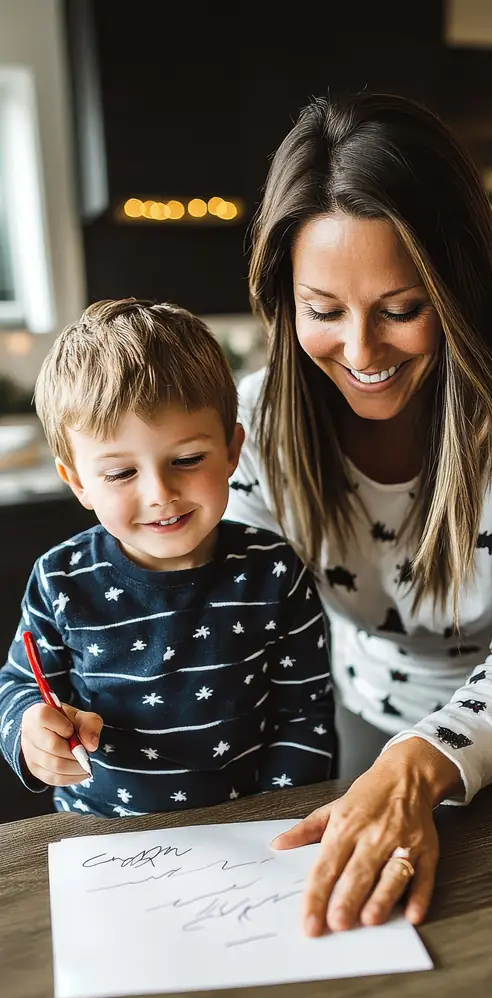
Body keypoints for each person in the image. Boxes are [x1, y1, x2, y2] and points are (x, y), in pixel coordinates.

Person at [225, 92, 492, 937]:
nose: (361, 354)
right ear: (285, 299)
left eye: (401, 309)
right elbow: (222, 614)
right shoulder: (254, 425)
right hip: (363, 729)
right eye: (324, 311)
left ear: (459, 283)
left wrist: (415, 772)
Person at [0, 299, 334, 817]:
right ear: (78, 482)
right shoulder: (59, 580)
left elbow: (304, 715)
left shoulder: (274, 572)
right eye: (120, 474)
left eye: (187, 460)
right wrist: (30, 730)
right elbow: (22, 686)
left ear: (231, 450)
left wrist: (276, 816)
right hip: (100, 837)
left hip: (250, 835)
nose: (160, 493)